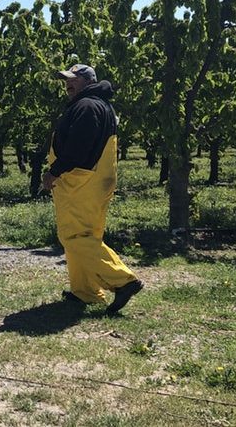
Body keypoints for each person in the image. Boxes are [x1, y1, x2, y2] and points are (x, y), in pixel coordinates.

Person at [41, 64, 143, 315]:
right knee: (86, 235)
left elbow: (78, 147)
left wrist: (54, 171)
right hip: (94, 180)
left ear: (88, 81)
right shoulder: (99, 104)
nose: (68, 84)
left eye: (73, 80)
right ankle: (85, 291)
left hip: (81, 181)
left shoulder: (87, 106)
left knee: (75, 237)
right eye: (66, 80)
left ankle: (123, 280)